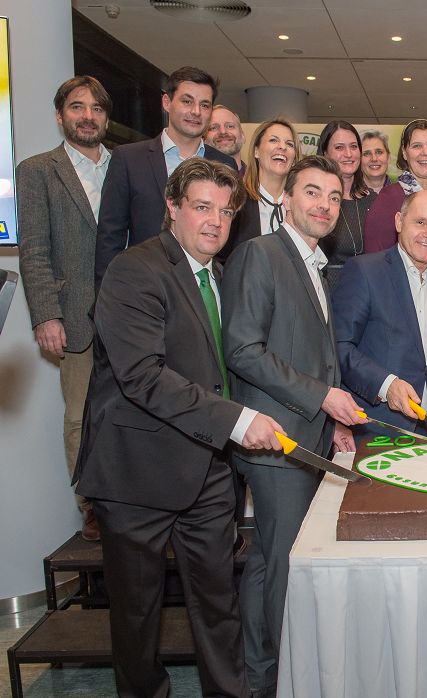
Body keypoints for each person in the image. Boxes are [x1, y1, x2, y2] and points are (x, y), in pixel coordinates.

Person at [74, 158, 283, 698]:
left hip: (209, 474)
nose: (215, 221)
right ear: (172, 208)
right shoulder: (134, 271)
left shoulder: (219, 274)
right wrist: (238, 421)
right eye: (202, 207)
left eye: (226, 210)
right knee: (138, 623)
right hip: (137, 475)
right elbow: (143, 377)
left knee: (219, 610)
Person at [222, 155, 366, 698]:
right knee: (283, 567)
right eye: (312, 192)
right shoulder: (260, 254)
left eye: (333, 196)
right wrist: (320, 396)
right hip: (276, 440)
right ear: (285, 198)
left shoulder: (313, 261)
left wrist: (333, 419)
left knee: (265, 561)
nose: (324, 205)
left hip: (308, 436)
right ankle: (288, 678)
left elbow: (314, 352)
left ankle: (262, 676)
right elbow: (243, 348)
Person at [17, 76, 112, 541]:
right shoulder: (37, 170)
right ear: (60, 115)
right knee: (79, 415)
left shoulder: (125, 166)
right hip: (73, 314)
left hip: (128, 312)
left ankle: (129, 495)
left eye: (96, 108)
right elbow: (33, 250)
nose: (87, 116)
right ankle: (90, 503)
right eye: (77, 107)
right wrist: (45, 315)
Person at [95, 66, 237, 285]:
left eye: (204, 105)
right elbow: (109, 238)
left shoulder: (224, 164)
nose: (196, 112)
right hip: (143, 288)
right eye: (187, 101)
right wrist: (108, 298)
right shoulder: (129, 159)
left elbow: (229, 239)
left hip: (204, 289)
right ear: (166, 103)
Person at [334, 190, 427, 442]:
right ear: (399, 221)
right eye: (420, 222)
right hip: (375, 425)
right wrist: (386, 384)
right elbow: (339, 346)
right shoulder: (365, 271)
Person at [362, 119, 427, 270]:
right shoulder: (389, 199)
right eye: (417, 146)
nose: (425, 152)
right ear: (404, 153)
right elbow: (375, 261)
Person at [221, 119, 299, 258]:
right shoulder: (235, 200)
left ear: (294, 160)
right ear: (256, 151)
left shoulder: (301, 205)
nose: (282, 147)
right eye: (273, 140)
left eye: (289, 144)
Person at [316, 120, 376, 284]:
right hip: (329, 289)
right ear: (325, 154)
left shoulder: (374, 200)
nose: (349, 154)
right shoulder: (318, 204)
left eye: (354, 146)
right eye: (339, 147)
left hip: (368, 290)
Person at [205, 104, 245, 173]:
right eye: (213, 128)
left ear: (243, 135)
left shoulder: (258, 181)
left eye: (230, 126)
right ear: (203, 139)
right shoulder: (191, 180)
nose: (223, 132)